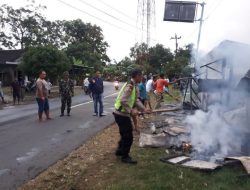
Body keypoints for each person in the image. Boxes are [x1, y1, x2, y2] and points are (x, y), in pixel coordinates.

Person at [113, 69, 151, 164]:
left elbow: (136, 100)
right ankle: (125, 157)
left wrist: (144, 109)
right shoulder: (130, 86)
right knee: (128, 136)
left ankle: (119, 151)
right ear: (137, 76)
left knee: (124, 133)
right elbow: (123, 101)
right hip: (121, 114)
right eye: (141, 76)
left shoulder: (134, 86)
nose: (142, 77)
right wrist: (131, 111)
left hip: (121, 114)